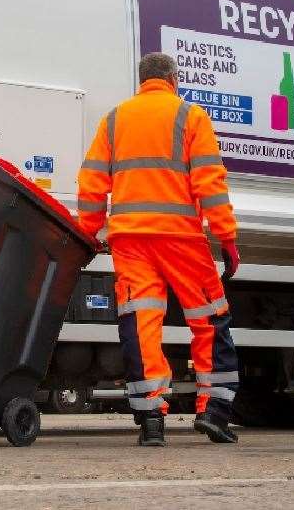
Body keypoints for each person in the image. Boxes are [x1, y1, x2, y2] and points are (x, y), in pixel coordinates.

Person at [77, 52, 241, 446]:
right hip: (181, 239)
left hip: (131, 241)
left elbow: (92, 181)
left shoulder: (115, 119)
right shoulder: (191, 116)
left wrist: (89, 231)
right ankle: (214, 413)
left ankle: (151, 421)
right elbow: (210, 184)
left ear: (142, 79)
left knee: (141, 325)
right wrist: (227, 238)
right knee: (208, 319)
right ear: (173, 78)